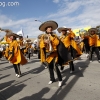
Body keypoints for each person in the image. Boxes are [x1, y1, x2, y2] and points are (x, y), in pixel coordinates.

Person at [39, 20, 62, 87]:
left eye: (51, 27)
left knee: (55, 67)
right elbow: (41, 45)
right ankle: (52, 79)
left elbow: (57, 43)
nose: (50, 28)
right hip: (47, 54)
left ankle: (60, 80)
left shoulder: (54, 36)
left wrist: (51, 39)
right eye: (48, 27)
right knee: (50, 67)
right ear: (46, 29)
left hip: (54, 53)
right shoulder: (43, 36)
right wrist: (45, 42)